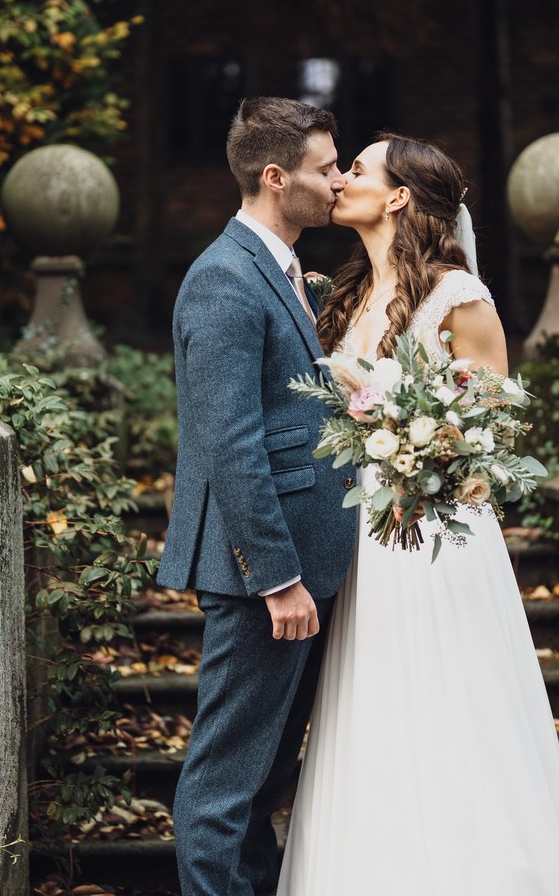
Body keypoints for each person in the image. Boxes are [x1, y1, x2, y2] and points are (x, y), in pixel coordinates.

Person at [278, 133, 559, 896]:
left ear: (398, 195)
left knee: (451, 712)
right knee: (372, 715)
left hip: (431, 541)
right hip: (359, 534)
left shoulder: (460, 299)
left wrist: (422, 453)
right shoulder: (343, 295)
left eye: (356, 169)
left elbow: (493, 427)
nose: (340, 182)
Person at [158, 97, 360, 896]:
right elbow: (231, 444)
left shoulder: (277, 268)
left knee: (266, 772)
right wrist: (277, 577)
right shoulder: (220, 280)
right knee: (224, 782)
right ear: (277, 178)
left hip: (305, 564)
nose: (339, 180)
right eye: (325, 167)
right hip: (262, 577)